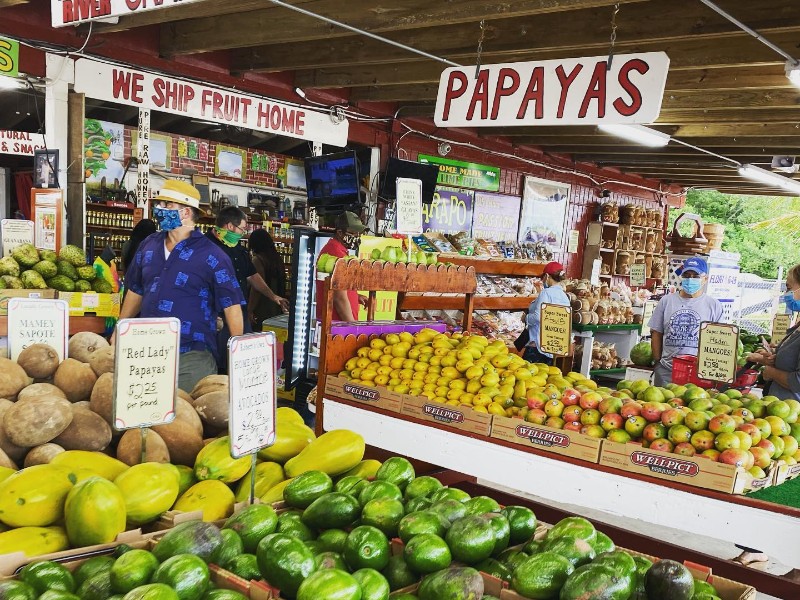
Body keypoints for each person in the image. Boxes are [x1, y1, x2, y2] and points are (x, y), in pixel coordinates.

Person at [117, 180, 245, 392]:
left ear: (186, 213)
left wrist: (238, 350)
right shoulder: (149, 245)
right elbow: (136, 289)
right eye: (160, 205)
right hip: (145, 350)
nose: (159, 210)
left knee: (183, 415)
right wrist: (120, 329)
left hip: (191, 353)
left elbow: (231, 305)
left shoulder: (212, 256)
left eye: (167, 206)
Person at [207, 206, 289, 370]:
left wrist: (273, 296)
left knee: (241, 359)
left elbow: (252, 276)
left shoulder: (238, 249)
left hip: (240, 312)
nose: (243, 233)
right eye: (242, 229)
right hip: (218, 315)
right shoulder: (205, 247)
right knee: (219, 361)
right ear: (230, 226)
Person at [649, 256, 723, 386]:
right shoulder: (666, 301)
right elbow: (656, 332)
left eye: (695, 276)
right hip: (667, 370)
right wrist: (657, 361)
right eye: (687, 275)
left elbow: (719, 339)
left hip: (698, 372)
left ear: (705, 279)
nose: (690, 279)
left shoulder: (713, 305)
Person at [746, 263, 800, 401]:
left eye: (789, 288)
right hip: (777, 409)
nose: (785, 294)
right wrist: (773, 358)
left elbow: (798, 381)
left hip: (791, 414)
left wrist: (770, 372)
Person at [315, 211, 368, 323]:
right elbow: (338, 298)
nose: (357, 237)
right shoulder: (336, 254)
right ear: (340, 232)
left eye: (359, 233)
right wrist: (351, 327)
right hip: (337, 325)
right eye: (353, 233)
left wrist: (354, 296)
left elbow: (338, 289)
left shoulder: (338, 250)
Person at [523, 261, 570, 365]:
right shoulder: (564, 296)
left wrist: (525, 318)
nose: (542, 280)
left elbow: (538, 317)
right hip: (552, 345)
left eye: (543, 277)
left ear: (547, 276)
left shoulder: (546, 293)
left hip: (538, 345)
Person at [248, 228, 288, 329]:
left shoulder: (258, 260)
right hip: (276, 309)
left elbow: (256, 289)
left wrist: (250, 309)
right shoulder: (277, 259)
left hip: (261, 308)